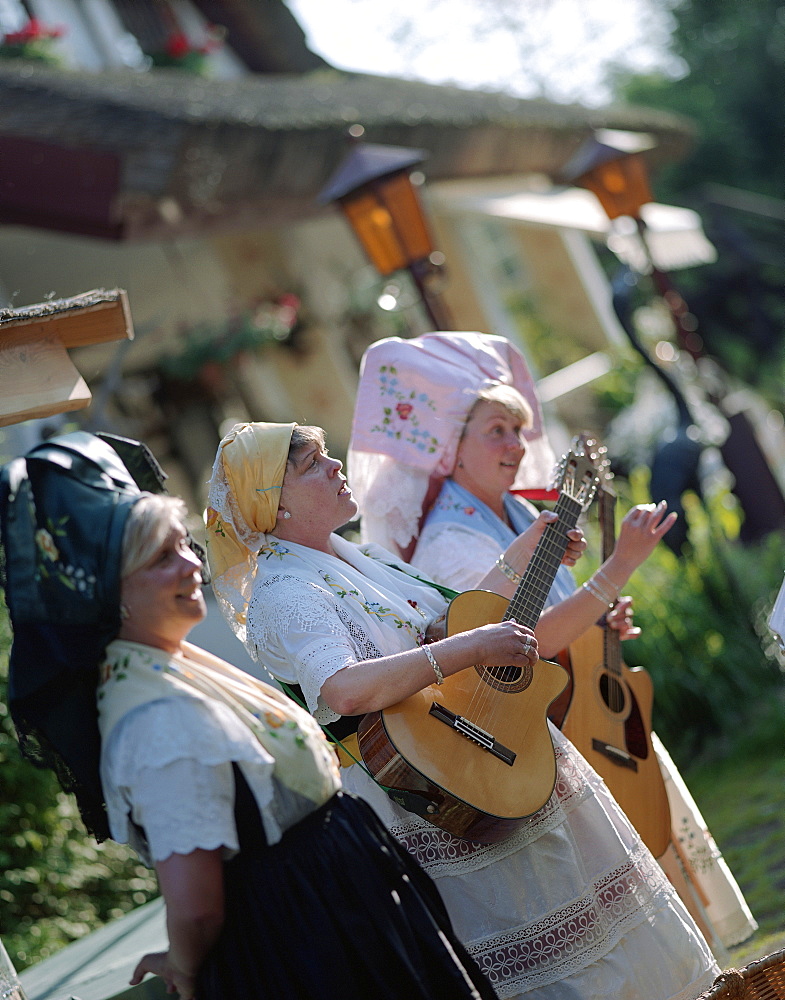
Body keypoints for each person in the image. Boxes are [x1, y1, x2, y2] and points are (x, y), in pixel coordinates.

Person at [206, 418, 720, 1000]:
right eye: (312, 465)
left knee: (599, 919)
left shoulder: (360, 557)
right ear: (274, 507)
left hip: (480, 751)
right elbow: (344, 689)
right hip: (436, 785)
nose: (335, 466)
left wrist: (524, 553)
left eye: (329, 454)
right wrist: (470, 649)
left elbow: (439, 627)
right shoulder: (286, 592)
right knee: (547, 953)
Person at [0, 430, 500, 1000]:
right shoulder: (151, 715)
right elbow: (195, 903)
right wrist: (186, 966)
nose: (192, 565)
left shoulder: (170, 671)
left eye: (184, 545)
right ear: (111, 596)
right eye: (162, 558)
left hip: (337, 910)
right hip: (307, 940)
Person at [347, 329, 758, 958]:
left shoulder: (514, 513)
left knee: (667, 873)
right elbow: (519, 643)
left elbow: (559, 624)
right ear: (449, 451)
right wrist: (616, 568)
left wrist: (598, 631)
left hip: (590, 709)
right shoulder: (447, 545)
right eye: (496, 432)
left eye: (517, 429)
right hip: (549, 733)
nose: (518, 444)